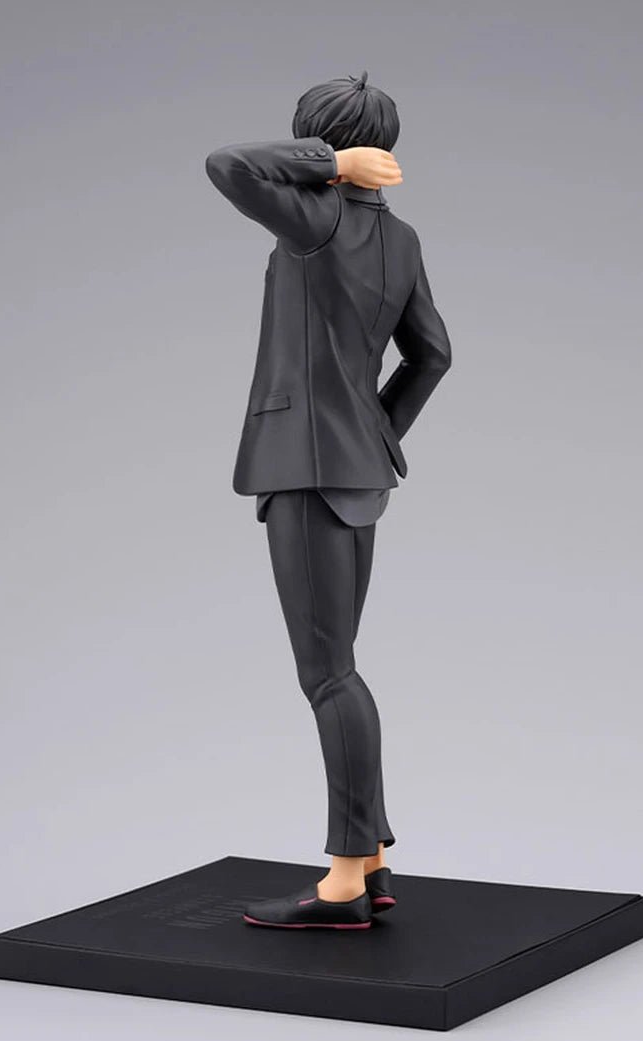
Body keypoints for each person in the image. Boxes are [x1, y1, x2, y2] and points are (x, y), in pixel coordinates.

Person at [205, 70, 452, 929]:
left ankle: (344, 880)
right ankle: (372, 861)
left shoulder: (315, 220)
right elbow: (433, 355)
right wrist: (377, 432)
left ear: (327, 141)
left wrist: (328, 163)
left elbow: (228, 163)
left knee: (328, 675)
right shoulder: (401, 239)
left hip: (306, 468)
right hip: (357, 470)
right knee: (339, 664)